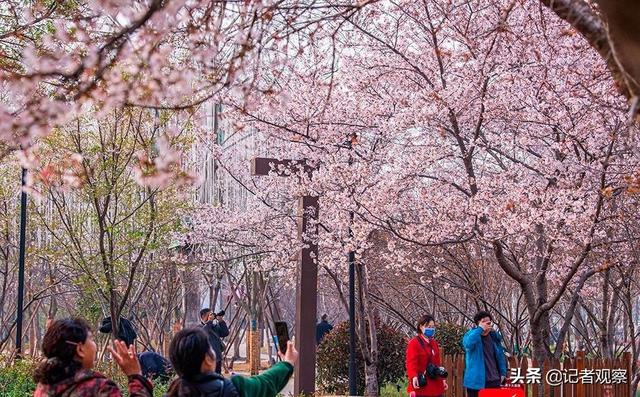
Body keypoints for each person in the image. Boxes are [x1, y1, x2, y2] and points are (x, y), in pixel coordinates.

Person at [33, 317, 152, 397]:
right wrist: (136, 376)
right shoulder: (100, 389)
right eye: (91, 339)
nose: (95, 346)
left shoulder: (43, 387)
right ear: (80, 349)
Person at [166, 327, 297, 397]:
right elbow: (266, 382)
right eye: (210, 347)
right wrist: (287, 363)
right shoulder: (236, 388)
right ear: (207, 359)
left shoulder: (173, 392)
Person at [463, 311, 507, 397]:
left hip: (494, 381)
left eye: (489, 322)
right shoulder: (471, 335)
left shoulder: (494, 337)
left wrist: (503, 373)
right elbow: (468, 345)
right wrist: (480, 329)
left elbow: (500, 356)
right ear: (478, 324)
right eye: (483, 322)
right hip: (476, 382)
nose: (487, 324)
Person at [406, 314, 448, 397]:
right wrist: (413, 377)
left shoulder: (434, 343)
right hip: (422, 383)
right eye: (428, 326)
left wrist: (442, 379)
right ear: (421, 327)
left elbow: (437, 364)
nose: (431, 329)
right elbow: (411, 363)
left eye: (433, 327)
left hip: (436, 383)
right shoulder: (414, 343)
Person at [199, 308, 229, 374]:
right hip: (206, 360)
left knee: (217, 379)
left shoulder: (215, 326)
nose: (212, 316)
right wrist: (209, 322)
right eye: (209, 314)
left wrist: (221, 321)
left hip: (217, 358)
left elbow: (225, 333)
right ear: (203, 316)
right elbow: (203, 333)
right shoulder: (199, 327)